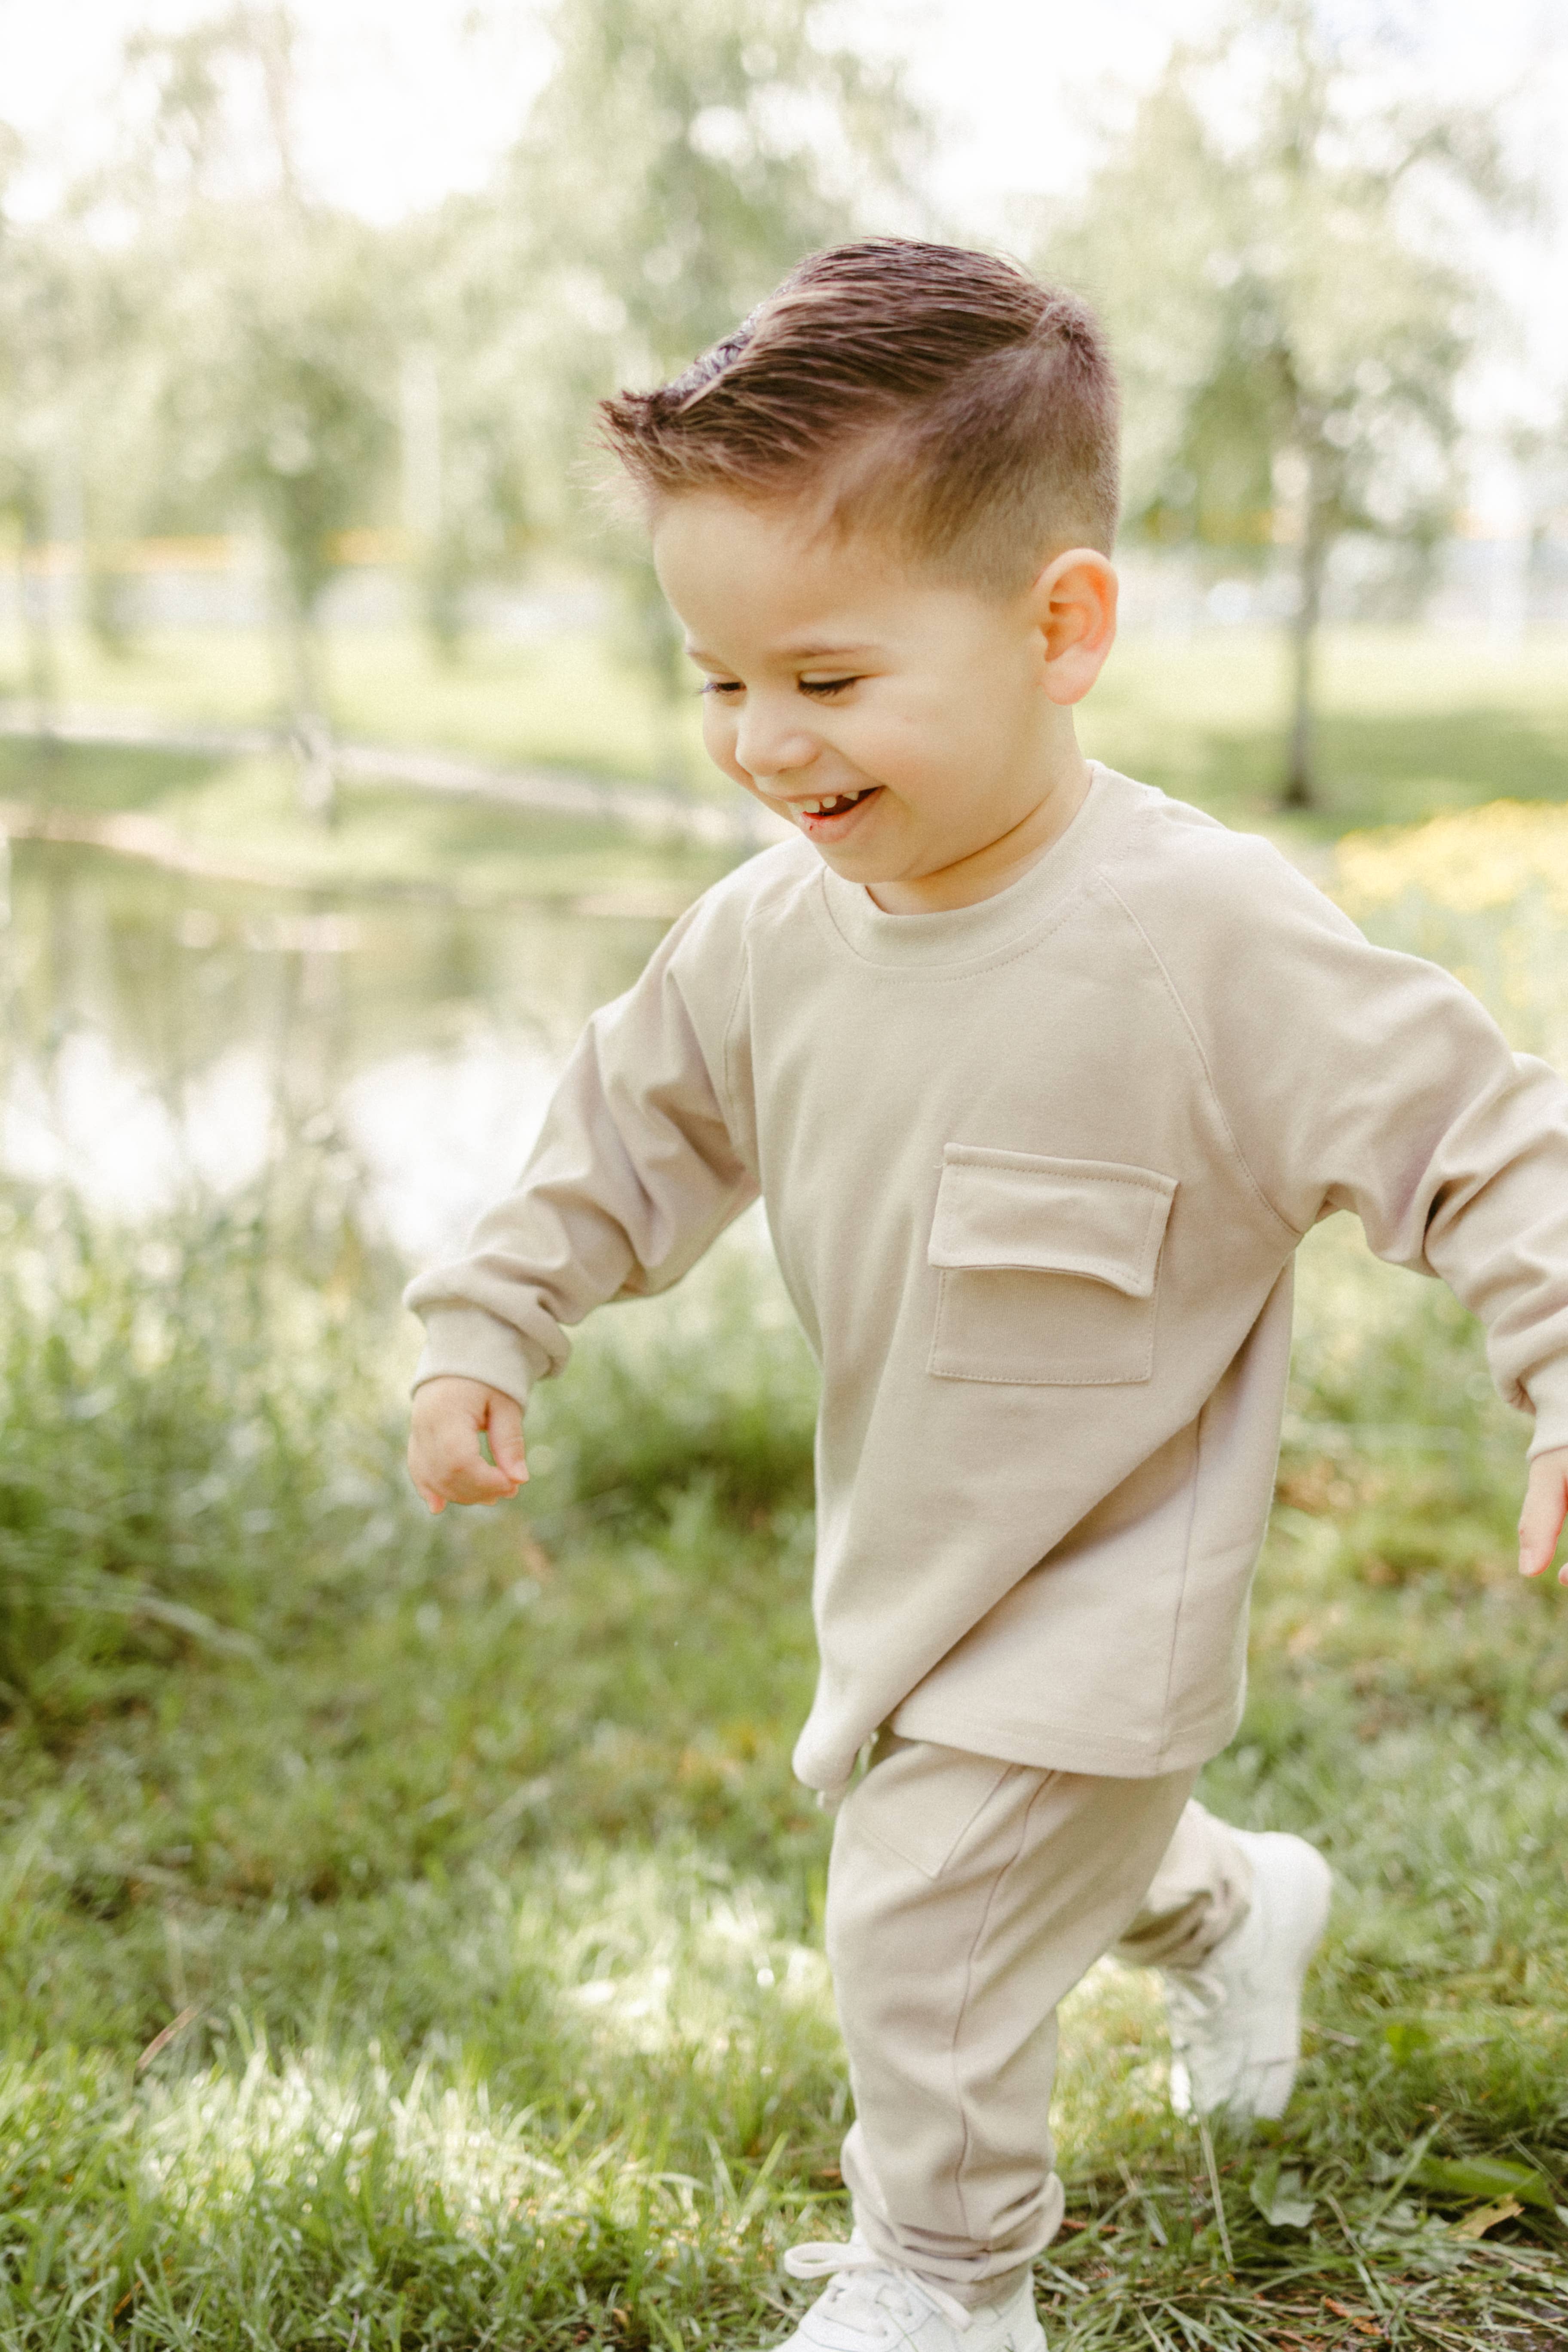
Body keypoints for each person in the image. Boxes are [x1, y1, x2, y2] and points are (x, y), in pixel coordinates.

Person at [405, 241, 1568, 2352]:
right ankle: (1239, 1903)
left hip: (1115, 1576)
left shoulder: (1196, 931)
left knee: (928, 1916)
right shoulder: (772, 934)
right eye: (718, 680)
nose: (764, 742)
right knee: (1021, 1845)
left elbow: (1483, 1137)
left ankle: (943, 2284)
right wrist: (492, 1319)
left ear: (1062, 627)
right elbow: (623, 1129)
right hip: (916, 1567)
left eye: (828, 683)